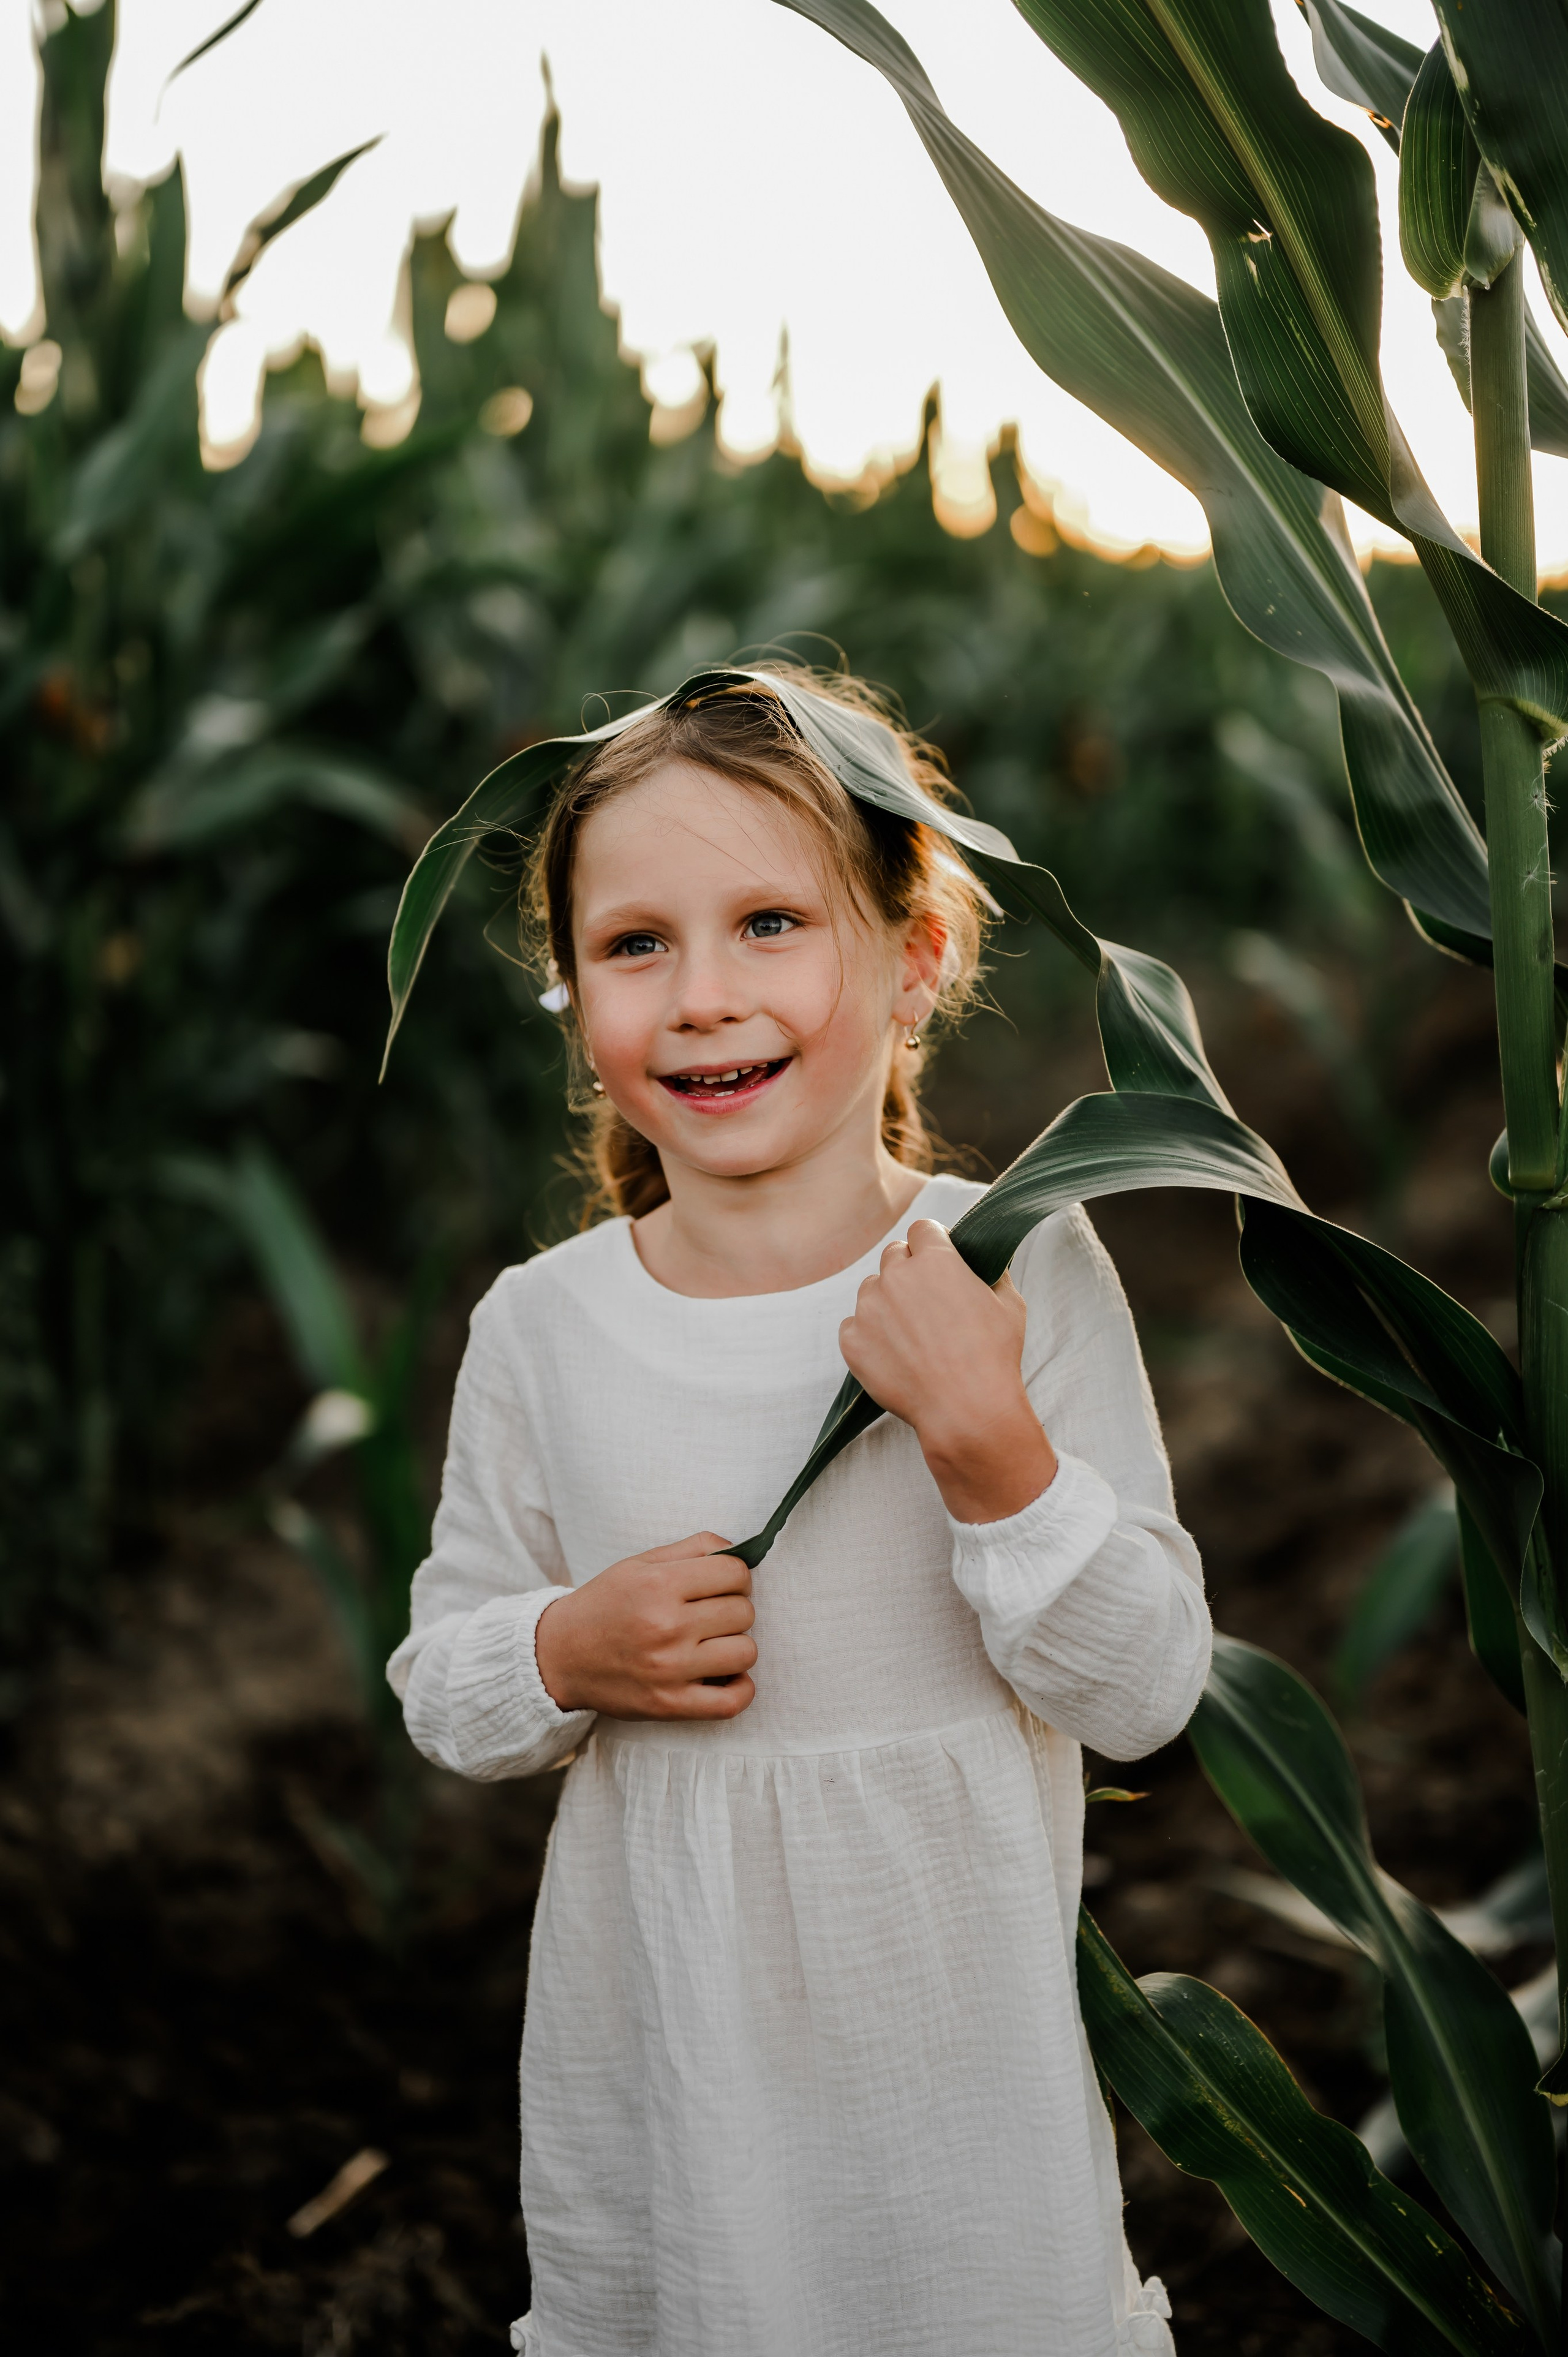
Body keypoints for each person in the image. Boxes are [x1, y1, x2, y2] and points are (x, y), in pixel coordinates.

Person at [387, 671, 1211, 2357]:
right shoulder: (546, 1329)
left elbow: (1146, 1690)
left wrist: (992, 1451)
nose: (702, 997)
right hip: (672, 2099)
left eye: (770, 922)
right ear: (571, 992)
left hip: (957, 2101)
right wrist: (561, 1648)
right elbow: (441, 1684)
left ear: (916, 958)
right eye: (634, 945)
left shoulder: (1012, 1267)